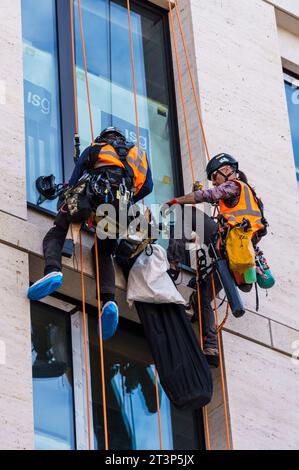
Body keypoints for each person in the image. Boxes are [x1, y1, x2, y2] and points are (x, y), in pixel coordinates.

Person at [28, 127, 153, 340]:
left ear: (104, 137)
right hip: (120, 210)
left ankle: (53, 270)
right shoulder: (138, 155)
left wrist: (65, 198)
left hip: (91, 196)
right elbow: (148, 186)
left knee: (57, 232)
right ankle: (108, 300)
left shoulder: (96, 147)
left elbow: (75, 178)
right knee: (103, 253)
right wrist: (128, 196)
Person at [166, 153, 267, 367]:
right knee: (203, 297)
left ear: (227, 169)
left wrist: (177, 200)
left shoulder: (235, 186)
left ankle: (173, 266)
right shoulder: (253, 197)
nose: (214, 181)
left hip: (227, 246)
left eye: (214, 176)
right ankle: (211, 347)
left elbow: (210, 195)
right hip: (236, 258)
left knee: (185, 214)